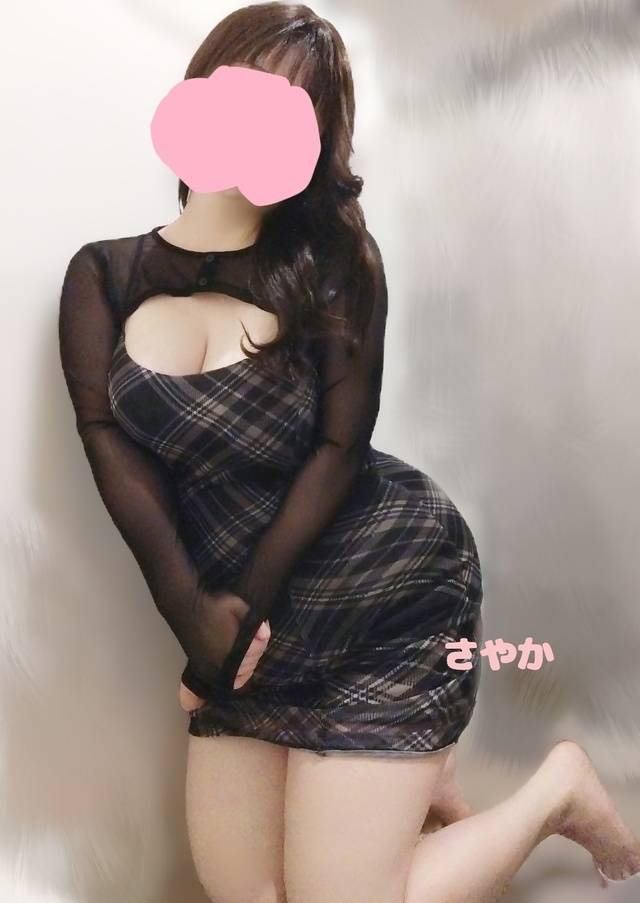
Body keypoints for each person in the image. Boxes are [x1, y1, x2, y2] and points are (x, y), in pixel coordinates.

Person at [58, 3, 640, 901]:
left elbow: (338, 450)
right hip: (243, 620)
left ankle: (554, 787)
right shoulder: (103, 273)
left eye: (289, 112)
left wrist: (233, 627)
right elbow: (106, 440)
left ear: (315, 144)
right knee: (248, 895)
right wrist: (194, 618)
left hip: (382, 587)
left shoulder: (338, 267)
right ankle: (406, 780)